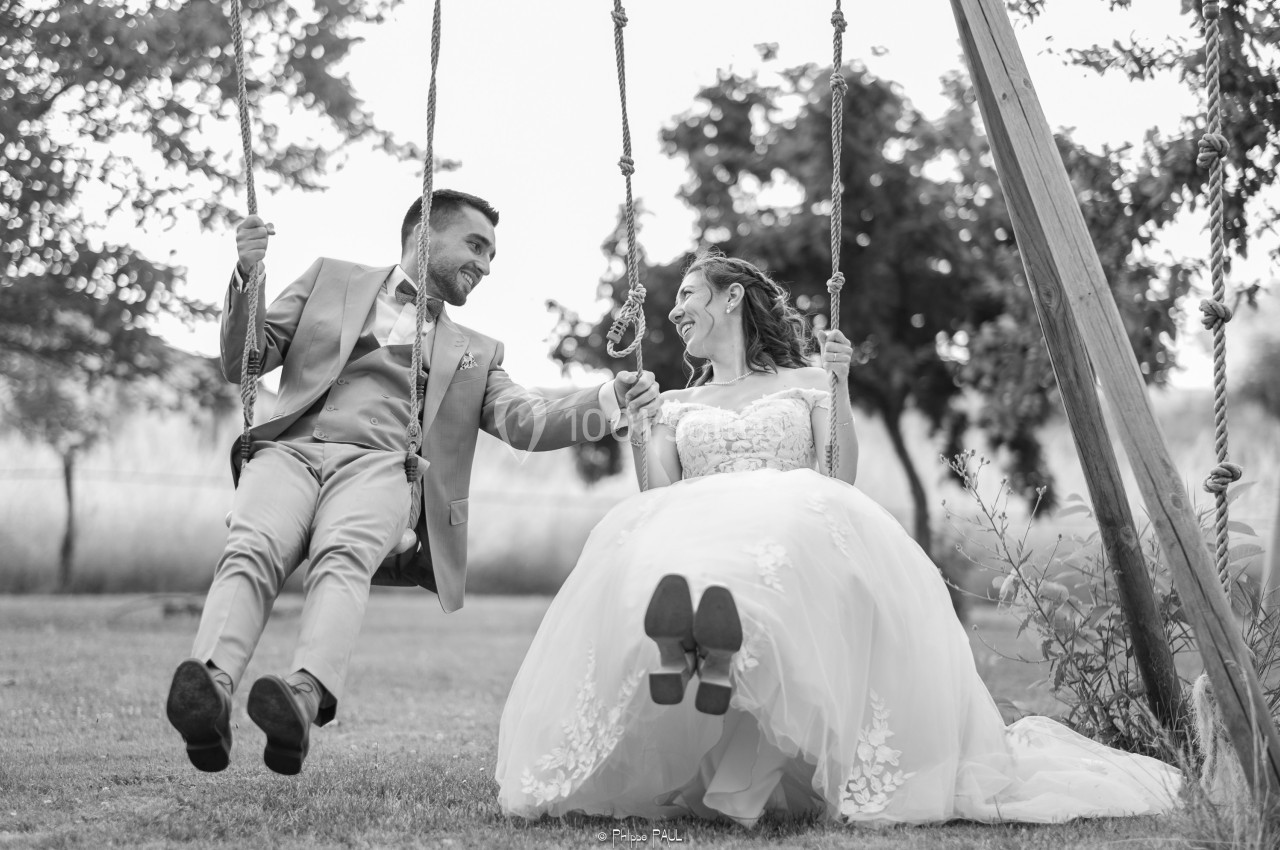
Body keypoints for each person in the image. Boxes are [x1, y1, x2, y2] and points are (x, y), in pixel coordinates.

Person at [494, 252, 1180, 826]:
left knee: (779, 545)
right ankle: (703, 666)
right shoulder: (675, 404)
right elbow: (660, 498)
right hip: (704, 534)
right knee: (674, 554)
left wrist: (842, 386)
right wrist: (643, 428)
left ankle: (707, 674)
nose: (674, 312)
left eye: (688, 295)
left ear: (733, 298)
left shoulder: (808, 384)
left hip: (790, 531)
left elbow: (837, 478)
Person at [165, 190, 659, 776]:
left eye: (493, 254)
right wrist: (248, 274)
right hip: (288, 451)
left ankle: (302, 694)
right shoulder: (330, 278)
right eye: (476, 246)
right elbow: (243, 359)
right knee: (251, 547)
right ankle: (211, 689)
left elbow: (526, 422)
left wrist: (609, 399)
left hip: (381, 467)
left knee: (342, 555)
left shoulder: (476, 352)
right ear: (425, 235)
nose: (487, 265)